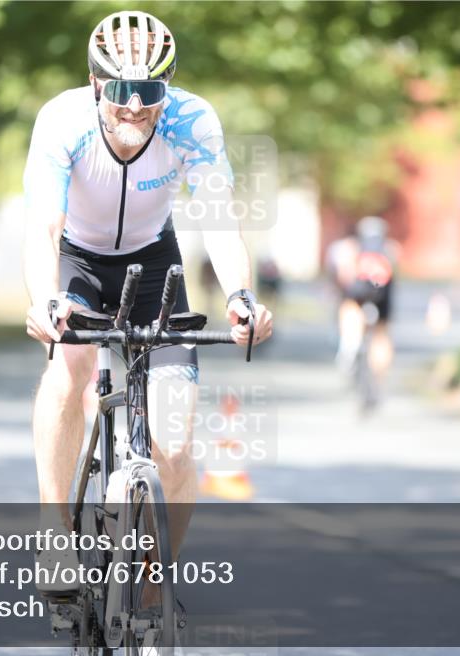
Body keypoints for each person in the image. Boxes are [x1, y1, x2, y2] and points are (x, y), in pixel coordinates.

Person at [23, 11, 273, 596]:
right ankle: (54, 534)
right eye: (119, 94)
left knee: (176, 442)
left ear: (170, 87)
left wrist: (240, 296)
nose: (134, 108)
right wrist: (45, 301)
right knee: (68, 373)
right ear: (94, 84)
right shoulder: (62, 121)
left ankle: (159, 585)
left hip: (155, 262)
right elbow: (43, 229)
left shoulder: (191, 119)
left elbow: (219, 220)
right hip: (76, 262)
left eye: (149, 94)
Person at [325, 216, 397, 405]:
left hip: (358, 292)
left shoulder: (351, 247)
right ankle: (379, 381)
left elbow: (342, 274)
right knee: (381, 335)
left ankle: (349, 347)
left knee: (348, 308)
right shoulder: (389, 250)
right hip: (382, 295)